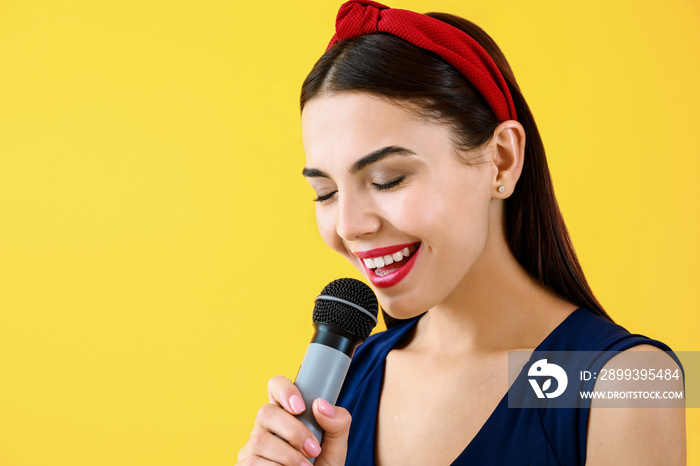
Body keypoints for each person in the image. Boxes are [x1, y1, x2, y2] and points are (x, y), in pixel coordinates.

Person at [237, 1, 686, 464]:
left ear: (503, 160)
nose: (349, 226)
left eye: (388, 179)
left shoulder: (626, 381)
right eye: (326, 192)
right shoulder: (345, 382)